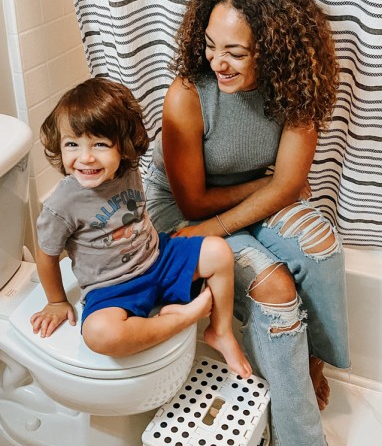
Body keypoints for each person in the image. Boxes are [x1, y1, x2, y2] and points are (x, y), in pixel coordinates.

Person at [143, 0, 352, 446]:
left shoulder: (296, 86)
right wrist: (269, 185)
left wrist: (274, 186)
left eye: (236, 52)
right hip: (186, 214)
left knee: (320, 241)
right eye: (212, 45)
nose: (218, 61)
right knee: (274, 288)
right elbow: (193, 201)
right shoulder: (187, 94)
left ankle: (313, 361)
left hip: (245, 197)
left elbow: (288, 186)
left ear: (274, 50)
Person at [30, 77, 252, 380]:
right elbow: (46, 254)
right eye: (72, 144)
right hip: (112, 289)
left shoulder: (128, 168)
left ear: (124, 148)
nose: (85, 157)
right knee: (99, 335)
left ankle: (221, 331)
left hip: (157, 258)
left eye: (99, 144)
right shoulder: (62, 204)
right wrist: (56, 300)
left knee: (219, 251)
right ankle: (184, 317)